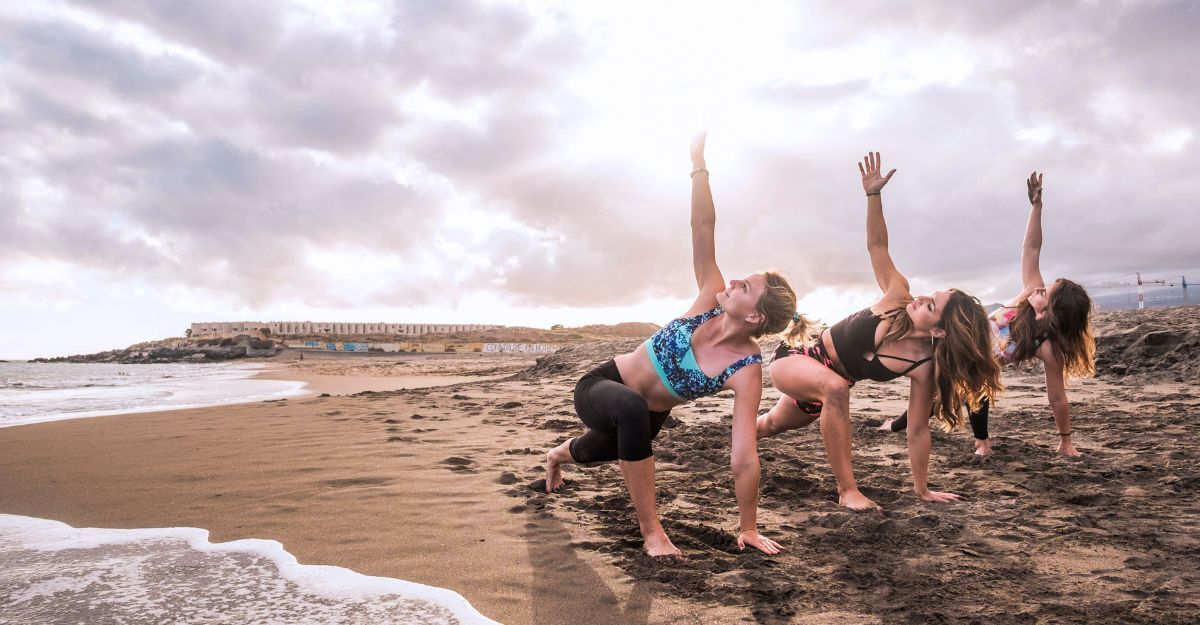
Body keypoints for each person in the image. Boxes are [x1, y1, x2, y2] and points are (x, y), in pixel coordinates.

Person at [544, 133, 800, 557]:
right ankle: (653, 534)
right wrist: (698, 165)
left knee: (590, 451)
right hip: (602, 386)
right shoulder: (708, 299)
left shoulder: (745, 368)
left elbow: (744, 453)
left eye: (746, 286)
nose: (733, 280)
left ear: (755, 316)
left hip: (645, 421)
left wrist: (749, 527)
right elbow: (703, 227)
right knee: (627, 407)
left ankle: (555, 456)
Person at [756, 152, 1003, 511]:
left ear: (943, 333)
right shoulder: (896, 297)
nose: (920, 298)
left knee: (766, 427)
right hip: (800, 358)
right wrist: (873, 196)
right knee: (836, 387)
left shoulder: (923, 365)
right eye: (929, 296)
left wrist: (923, 490)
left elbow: (918, 430)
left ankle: (735, 440)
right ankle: (848, 492)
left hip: (824, 395)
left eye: (931, 305)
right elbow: (877, 246)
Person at [881, 172, 1096, 456]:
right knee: (933, 393)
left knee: (962, 388)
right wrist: (1036, 208)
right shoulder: (1027, 296)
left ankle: (980, 443)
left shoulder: (1046, 347)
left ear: (1053, 314)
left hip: (976, 366)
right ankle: (896, 426)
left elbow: (1057, 397)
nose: (1040, 288)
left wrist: (1065, 440)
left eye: (1047, 293)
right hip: (954, 338)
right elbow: (1031, 248)